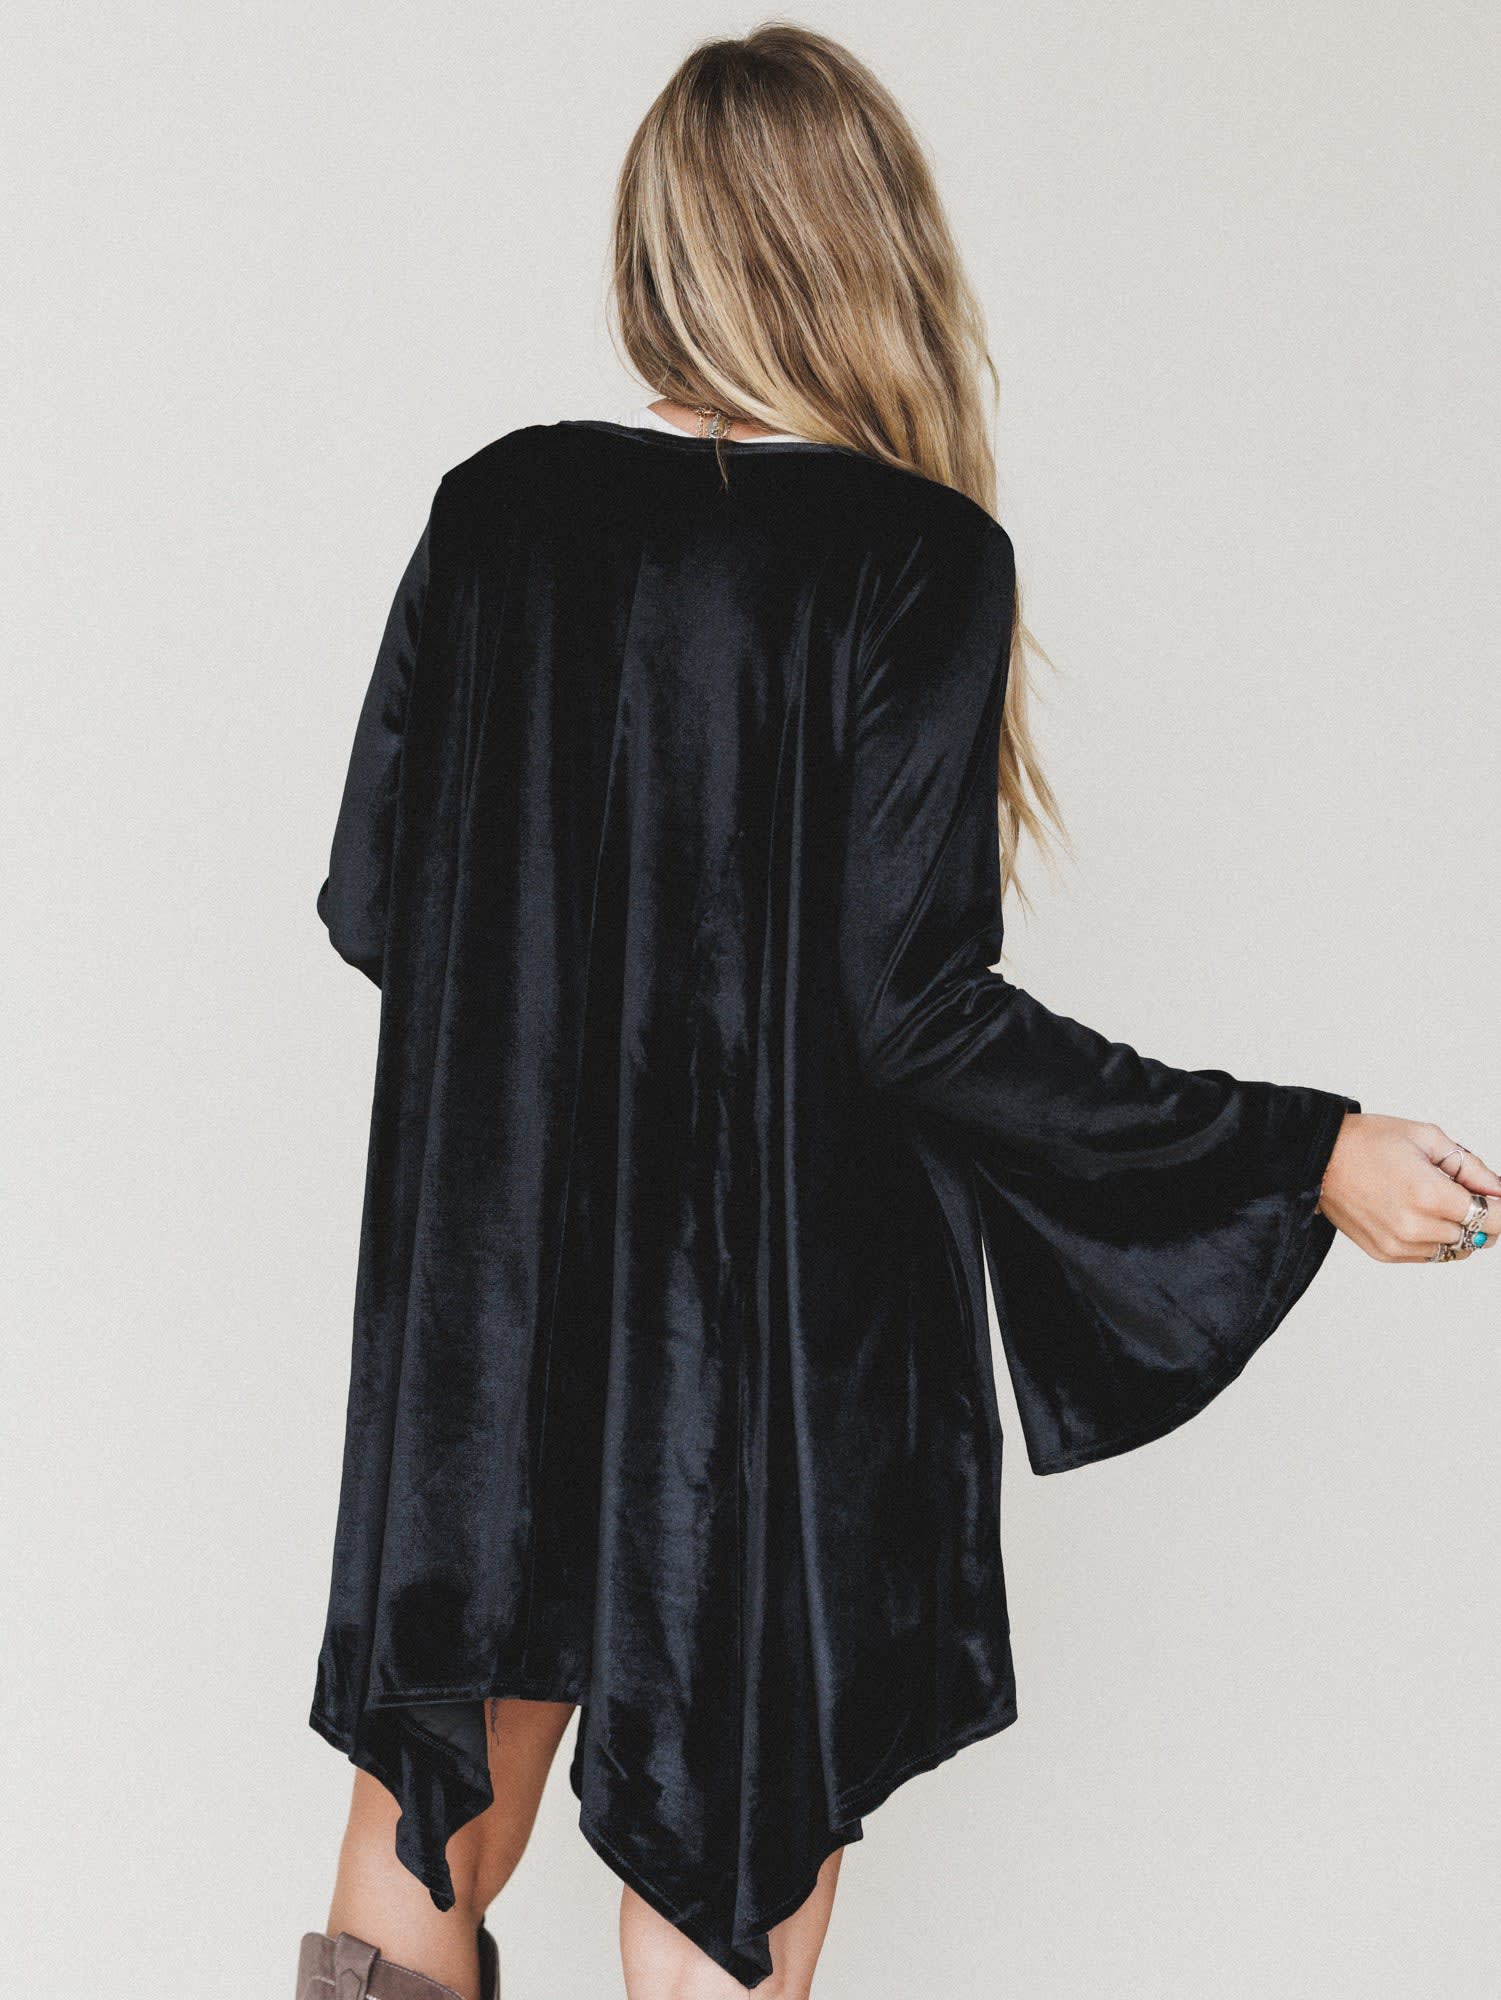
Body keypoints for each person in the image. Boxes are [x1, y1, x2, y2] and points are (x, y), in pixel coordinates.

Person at [296, 26, 1496, 2000]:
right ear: (875, 248)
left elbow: (381, 905)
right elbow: (913, 1016)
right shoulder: (914, 559)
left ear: (664, 240)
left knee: (436, 1795)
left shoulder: (495, 512)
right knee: (730, 1839)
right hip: (765, 1323)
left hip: (490, 1308)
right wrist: (1304, 1149)